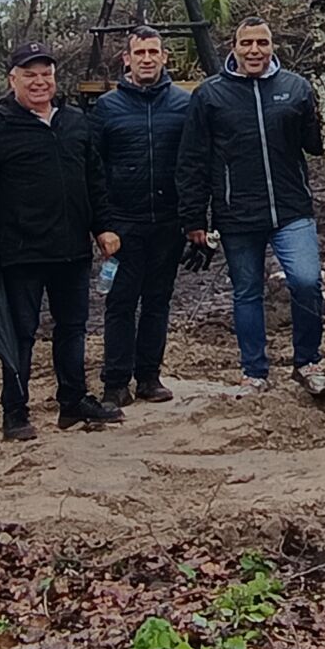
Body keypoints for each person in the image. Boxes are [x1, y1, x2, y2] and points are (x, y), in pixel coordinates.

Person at [0, 40, 121, 441]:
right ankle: (15, 412)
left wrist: (103, 227)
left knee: (73, 328)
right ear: (12, 79)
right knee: (20, 333)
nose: (39, 82)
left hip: (72, 250)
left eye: (46, 74)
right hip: (22, 251)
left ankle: (73, 401)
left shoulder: (75, 123)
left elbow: (94, 179)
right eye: (30, 75)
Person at [177, 17, 325, 396]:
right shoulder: (210, 95)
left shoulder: (296, 88)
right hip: (237, 214)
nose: (254, 50)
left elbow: (315, 144)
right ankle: (254, 371)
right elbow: (193, 159)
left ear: (272, 46)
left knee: (307, 281)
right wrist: (194, 218)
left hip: (291, 208)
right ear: (233, 47)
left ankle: (308, 362)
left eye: (262, 43)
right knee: (247, 291)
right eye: (246, 43)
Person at [91, 25, 192, 406]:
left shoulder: (184, 105)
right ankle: (115, 382)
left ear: (164, 57)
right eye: (139, 53)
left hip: (168, 222)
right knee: (120, 302)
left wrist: (195, 219)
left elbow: (195, 164)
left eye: (153, 52)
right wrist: (102, 225)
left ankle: (149, 377)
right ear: (127, 59)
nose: (147, 59)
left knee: (157, 301)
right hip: (123, 225)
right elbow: (94, 170)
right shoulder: (107, 107)